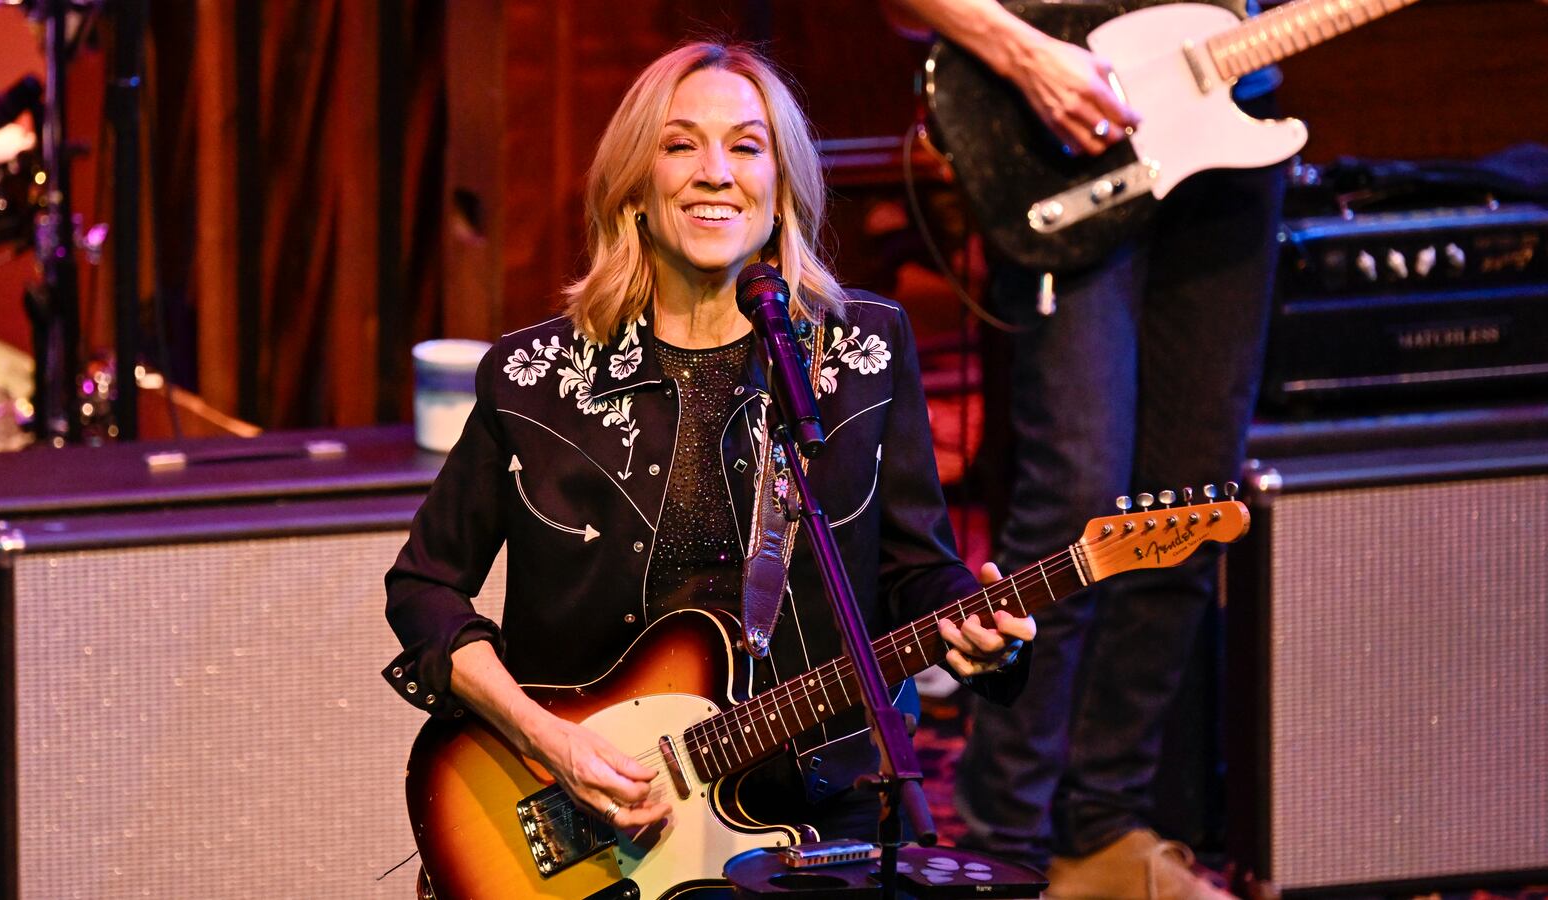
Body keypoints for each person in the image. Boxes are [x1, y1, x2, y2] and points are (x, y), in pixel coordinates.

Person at [382, 40, 1035, 885]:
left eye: (747, 145)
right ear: (636, 188)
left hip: (806, 816)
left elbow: (918, 569)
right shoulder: (533, 377)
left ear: (782, 185)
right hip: (579, 814)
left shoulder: (863, 354)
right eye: (681, 144)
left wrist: (979, 630)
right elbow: (424, 588)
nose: (715, 172)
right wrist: (550, 741)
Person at [885, 1, 1287, 898]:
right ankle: (1006, 844)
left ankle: (1104, 828)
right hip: (1063, 113)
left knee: (1190, 509)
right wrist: (1026, 55)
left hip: (1229, 114)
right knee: (1080, 498)